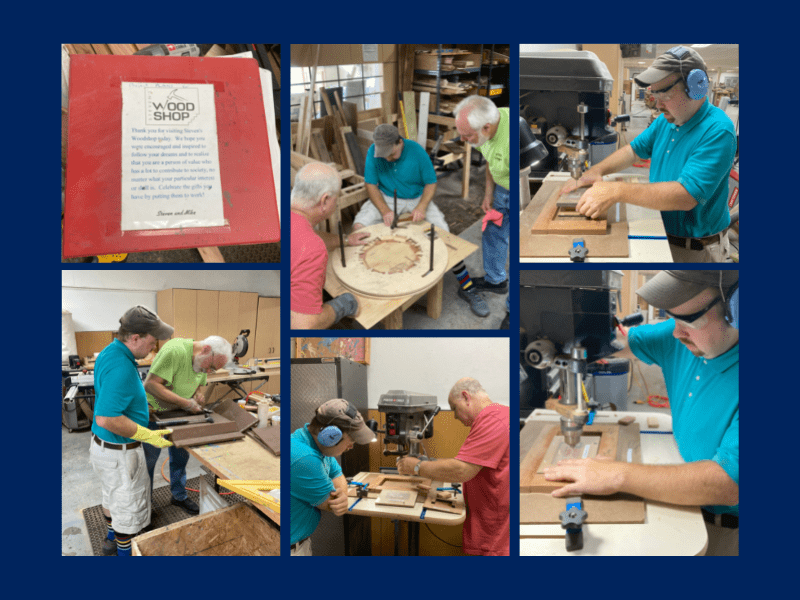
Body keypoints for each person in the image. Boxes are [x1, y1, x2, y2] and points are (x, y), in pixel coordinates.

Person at [543, 270, 739, 555]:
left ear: (737, 308)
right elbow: (617, 343)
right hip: (683, 503)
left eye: (688, 320)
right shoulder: (683, 338)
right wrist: (571, 337)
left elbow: (726, 484)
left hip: (724, 528)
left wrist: (616, 475)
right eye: (672, 317)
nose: (676, 332)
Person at [560, 46, 737, 262]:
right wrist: (597, 170)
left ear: (696, 87)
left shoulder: (718, 131)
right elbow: (633, 151)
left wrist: (616, 190)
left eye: (665, 93)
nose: (658, 103)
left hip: (697, 251)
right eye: (655, 93)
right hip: (662, 232)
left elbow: (686, 197)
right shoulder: (666, 120)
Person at [357, 124, 490, 318]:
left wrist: (421, 206)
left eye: (390, 153)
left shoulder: (417, 152)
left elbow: (430, 182)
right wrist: (384, 210)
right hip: (386, 197)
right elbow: (370, 183)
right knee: (360, 226)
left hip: (416, 199)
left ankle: (468, 288)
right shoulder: (374, 152)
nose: (386, 158)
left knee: (446, 238)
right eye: (382, 154)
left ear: (399, 143)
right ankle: (365, 288)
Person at [90, 306, 175, 556]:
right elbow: (107, 418)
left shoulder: (111, 352)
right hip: (120, 453)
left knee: (112, 498)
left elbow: (112, 399)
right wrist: (146, 435)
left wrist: (139, 405)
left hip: (102, 449)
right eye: (152, 342)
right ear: (135, 338)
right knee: (128, 513)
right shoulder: (123, 369)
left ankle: (109, 540)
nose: (154, 348)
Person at [397, 378, 509, 555]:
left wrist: (417, 467)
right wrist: (428, 462)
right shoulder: (498, 415)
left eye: (454, 408)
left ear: (466, 397)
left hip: (495, 535)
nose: (455, 416)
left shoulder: (492, 419)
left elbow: (461, 469)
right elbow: (468, 461)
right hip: (489, 519)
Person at [142, 335, 234, 515]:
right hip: (155, 414)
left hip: (182, 415)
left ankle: (178, 495)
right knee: (149, 461)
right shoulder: (174, 351)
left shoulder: (201, 361)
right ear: (206, 349)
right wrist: (185, 403)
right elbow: (150, 385)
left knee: (180, 458)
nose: (208, 372)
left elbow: (197, 384)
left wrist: (197, 395)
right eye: (211, 367)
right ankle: (145, 503)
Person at [290, 399, 376, 556]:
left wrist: (342, 494)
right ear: (330, 436)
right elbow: (331, 504)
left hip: (301, 543)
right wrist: (340, 499)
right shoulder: (305, 458)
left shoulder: (316, 445)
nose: (351, 447)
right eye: (351, 441)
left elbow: (338, 476)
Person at [291, 162, 371, 329]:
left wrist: (345, 240)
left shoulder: (284, 212)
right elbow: (305, 325)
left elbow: (305, 235)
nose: (337, 202)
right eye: (336, 197)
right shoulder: (313, 249)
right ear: (325, 200)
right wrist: (342, 305)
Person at [454, 96, 511, 321]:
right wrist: (489, 192)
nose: (462, 139)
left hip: (518, 191)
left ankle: (512, 311)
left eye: (467, 135)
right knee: (493, 232)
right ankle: (496, 281)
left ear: (486, 127)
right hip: (501, 191)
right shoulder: (486, 132)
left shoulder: (512, 137)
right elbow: (490, 160)